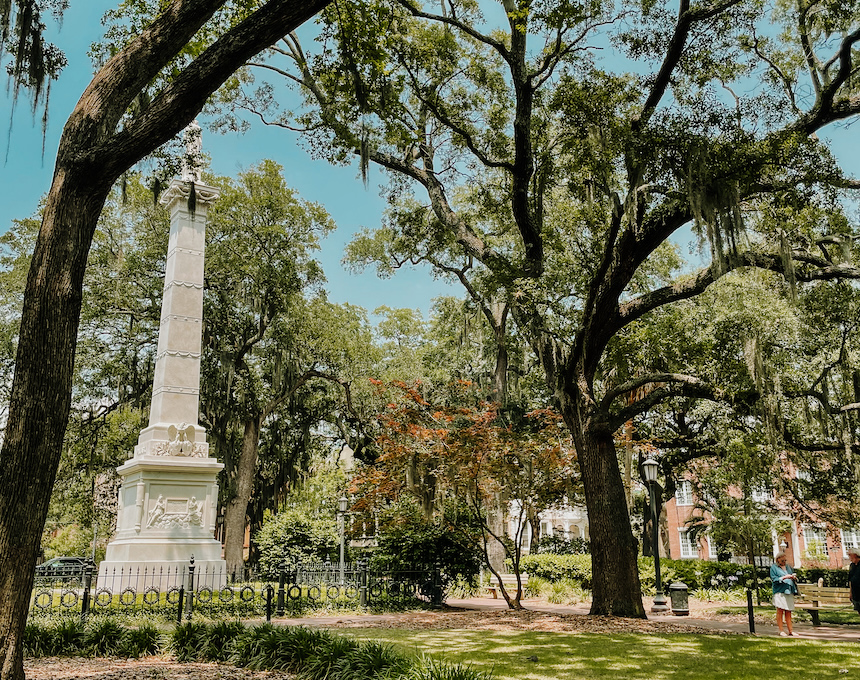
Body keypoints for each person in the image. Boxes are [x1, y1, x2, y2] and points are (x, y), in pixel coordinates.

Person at [771, 551, 799, 636]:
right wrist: (784, 577)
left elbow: (791, 574)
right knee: (780, 610)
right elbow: (774, 579)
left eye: (785, 560)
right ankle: (781, 630)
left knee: (788, 611)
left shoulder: (788, 567)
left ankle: (790, 630)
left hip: (789, 590)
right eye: (782, 561)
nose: (784, 562)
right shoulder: (774, 568)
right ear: (778, 560)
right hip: (780, 591)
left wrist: (793, 577)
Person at [848, 547, 860, 616]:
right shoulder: (852, 566)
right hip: (855, 594)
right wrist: (851, 592)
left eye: (850, 555)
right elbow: (850, 580)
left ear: (855, 555)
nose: (849, 557)